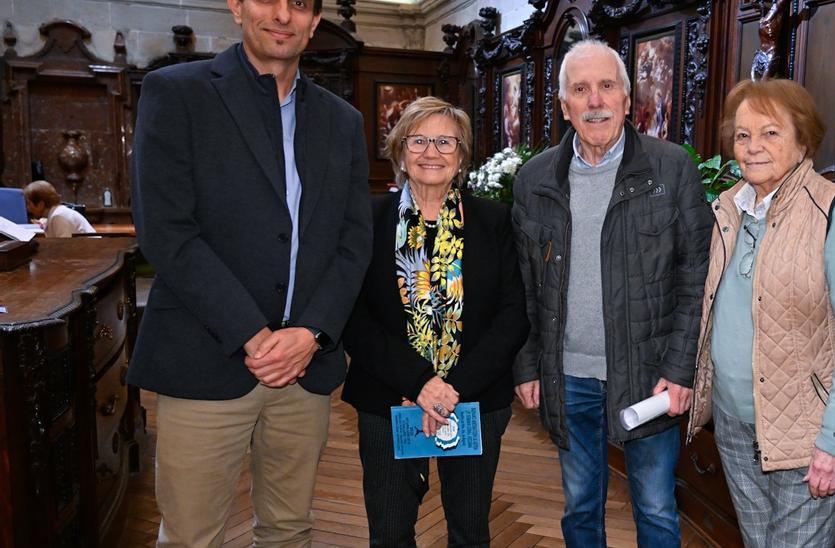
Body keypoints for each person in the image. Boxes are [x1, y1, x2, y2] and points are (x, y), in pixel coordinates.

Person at [128, 0, 372, 545]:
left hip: (305, 367)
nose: (283, 15)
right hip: (205, 357)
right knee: (192, 537)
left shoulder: (342, 120)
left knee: (289, 531)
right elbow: (167, 232)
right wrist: (254, 336)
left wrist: (311, 333)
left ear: (314, 20)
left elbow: (354, 242)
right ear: (237, 7)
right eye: (268, 0)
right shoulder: (177, 92)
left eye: (300, 4)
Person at [511, 39, 713, 547]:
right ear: (564, 106)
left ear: (627, 99)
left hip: (649, 376)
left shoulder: (671, 168)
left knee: (656, 508)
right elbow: (525, 285)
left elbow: (696, 277)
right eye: (581, 90)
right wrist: (528, 363)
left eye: (606, 86)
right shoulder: (534, 179)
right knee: (580, 507)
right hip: (567, 375)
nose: (595, 100)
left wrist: (680, 369)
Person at [686, 78, 835, 547]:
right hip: (734, 427)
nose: (753, 147)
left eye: (770, 133)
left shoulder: (834, 212)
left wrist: (834, 441)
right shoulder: (728, 208)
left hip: (807, 437)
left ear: (803, 139)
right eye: (743, 135)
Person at [341, 96, 529, 547]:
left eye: (446, 142)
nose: (431, 152)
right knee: (390, 533)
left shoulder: (494, 220)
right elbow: (353, 316)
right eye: (418, 140)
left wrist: (451, 389)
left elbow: (513, 315)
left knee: (470, 532)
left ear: (461, 155)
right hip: (388, 398)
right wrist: (420, 382)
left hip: (473, 399)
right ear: (400, 150)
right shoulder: (367, 219)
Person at [23, 180, 95, 237]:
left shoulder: (58, 216)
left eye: (29, 203)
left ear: (41, 204)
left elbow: (64, 247)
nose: (28, 208)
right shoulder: (56, 214)